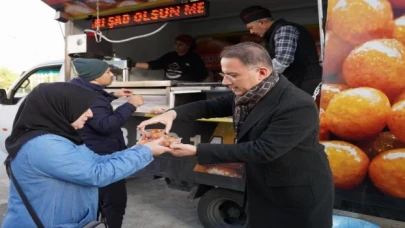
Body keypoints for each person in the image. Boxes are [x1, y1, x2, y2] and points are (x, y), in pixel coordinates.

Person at [137, 42, 334, 228]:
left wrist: (196, 150)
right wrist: (171, 113)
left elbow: (263, 150)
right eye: (224, 74)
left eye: (232, 75)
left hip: (296, 192)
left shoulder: (295, 104)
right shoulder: (250, 93)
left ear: (262, 73)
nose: (225, 82)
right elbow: (209, 106)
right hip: (263, 185)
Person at [2, 82, 171, 228]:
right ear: (62, 108)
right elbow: (96, 174)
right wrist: (147, 151)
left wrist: (138, 148)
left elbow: (96, 161)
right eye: (84, 108)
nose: (90, 114)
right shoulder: (43, 145)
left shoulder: (60, 137)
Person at [69, 58, 143, 228]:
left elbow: (97, 106)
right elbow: (105, 125)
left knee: (92, 201)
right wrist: (131, 105)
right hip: (103, 156)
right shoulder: (92, 97)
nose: (111, 75)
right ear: (94, 77)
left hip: (88, 154)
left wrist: (111, 96)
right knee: (113, 203)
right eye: (108, 72)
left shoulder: (80, 88)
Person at [239, 5, 322, 95]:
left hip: (306, 80)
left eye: (251, 27)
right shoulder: (273, 34)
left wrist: (258, 77)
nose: (251, 32)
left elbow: (282, 61)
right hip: (297, 81)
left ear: (262, 22)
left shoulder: (284, 29)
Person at [130, 34, 209, 82]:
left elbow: (203, 75)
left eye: (180, 44)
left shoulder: (194, 58)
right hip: (170, 87)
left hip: (186, 90)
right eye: (176, 44)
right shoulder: (169, 56)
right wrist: (133, 64)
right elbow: (154, 64)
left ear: (188, 46)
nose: (177, 46)